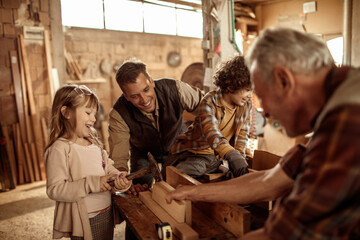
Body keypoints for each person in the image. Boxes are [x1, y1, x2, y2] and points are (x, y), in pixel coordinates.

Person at [165, 27, 360, 239]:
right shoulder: (341, 102)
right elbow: (270, 181)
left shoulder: (348, 121)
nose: (264, 111)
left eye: (261, 95)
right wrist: (194, 192)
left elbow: (278, 235)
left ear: (284, 80)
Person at [45, 84, 132, 240]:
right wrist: (91, 184)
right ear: (66, 113)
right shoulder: (60, 148)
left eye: (94, 113)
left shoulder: (94, 143)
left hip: (106, 211)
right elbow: (55, 189)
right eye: (87, 113)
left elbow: (108, 167)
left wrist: (119, 177)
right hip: (84, 218)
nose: (93, 118)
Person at [108, 58, 203, 193]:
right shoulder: (119, 114)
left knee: (176, 189)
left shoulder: (176, 89)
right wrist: (122, 179)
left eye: (146, 90)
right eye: (135, 96)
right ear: (126, 96)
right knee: (141, 192)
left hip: (177, 147)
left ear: (151, 81)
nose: (144, 100)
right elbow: (119, 158)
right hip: (143, 154)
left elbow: (209, 108)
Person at [163, 55, 252, 179]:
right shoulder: (209, 102)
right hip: (192, 151)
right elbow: (213, 135)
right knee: (181, 173)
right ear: (231, 86)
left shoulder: (246, 104)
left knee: (217, 168)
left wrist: (239, 160)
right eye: (247, 89)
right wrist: (232, 155)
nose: (250, 95)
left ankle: (217, 166)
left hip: (214, 155)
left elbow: (242, 134)